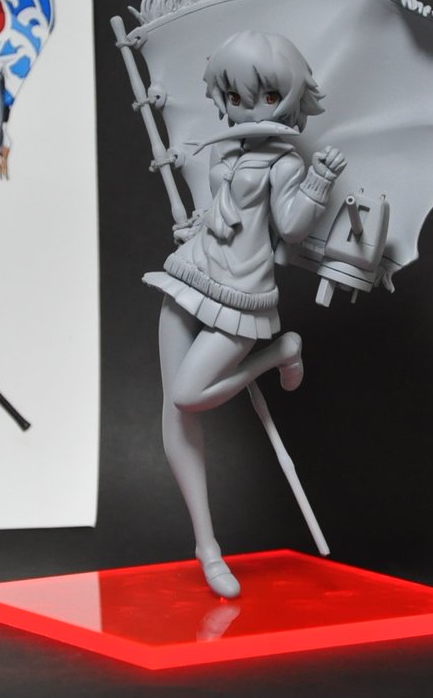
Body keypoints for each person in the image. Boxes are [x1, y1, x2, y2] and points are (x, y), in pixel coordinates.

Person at [143, 30, 346, 597]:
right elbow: (221, 211)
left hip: (240, 292)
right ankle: (206, 545)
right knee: (174, 412)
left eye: (265, 96)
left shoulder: (284, 163)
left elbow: (293, 228)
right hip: (190, 272)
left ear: (287, 97)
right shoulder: (224, 151)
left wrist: (321, 179)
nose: (248, 109)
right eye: (234, 97)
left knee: (189, 396)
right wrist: (198, 225)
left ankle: (280, 352)